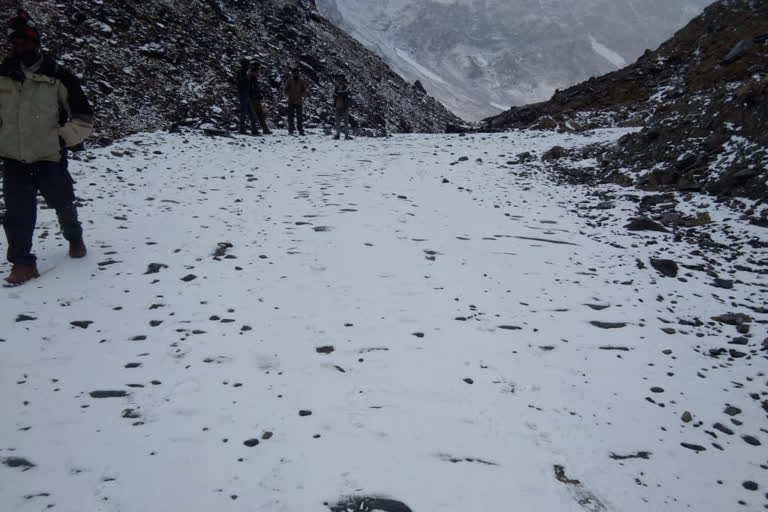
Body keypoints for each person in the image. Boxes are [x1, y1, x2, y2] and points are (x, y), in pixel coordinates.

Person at [0, 9, 94, 286]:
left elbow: (83, 116)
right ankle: (22, 262)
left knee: (62, 200)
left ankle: (74, 236)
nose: (20, 47)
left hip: (49, 155)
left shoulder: (57, 76)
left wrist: (62, 138)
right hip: (13, 155)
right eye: (15, 42)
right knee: (17, 211)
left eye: (25, 42)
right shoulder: (3, 76)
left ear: (36, 42)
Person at [236, 58, 257, 135]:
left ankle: (253, 130)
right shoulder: (242, 72)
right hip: (243, 94)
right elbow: (242, 83)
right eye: (247, 64)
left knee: (250, 113)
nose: (248, 66)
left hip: (246, 94)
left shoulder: (244, 72)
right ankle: (243, 129)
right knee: (244, 112)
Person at [248, 63, 271, 135]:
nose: (257, 73)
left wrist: (259, 95)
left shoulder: (255, 79)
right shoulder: (249, 79)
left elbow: (256, 89)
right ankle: (254, 129)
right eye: (256, 72)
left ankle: (265, 129)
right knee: (254, 115)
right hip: (252, 100)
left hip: (257, 99)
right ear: (252, 72)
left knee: (261, 115)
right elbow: (249, 90)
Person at [284, 67, 307, 135]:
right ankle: (291, 130)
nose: (295, 74)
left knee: (299, 116)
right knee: (291, 116)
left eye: (296, 73)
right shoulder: (289, 81)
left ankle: (300, 130)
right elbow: (285, 90)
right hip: (291, 101)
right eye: (294, 73)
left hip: (299, 101)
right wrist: (289, 95)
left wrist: (301, 95)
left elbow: (304, 90)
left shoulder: (301, 81)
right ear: (292, 73)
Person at [333, 73, 352, 140]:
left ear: (343, 79)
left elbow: (345, 93)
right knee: (337, 121)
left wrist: (338, 94)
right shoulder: (336, 87)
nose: (338, 80)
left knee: (345, 122)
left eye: (339, 79)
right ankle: (338, 135)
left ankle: (346, 136)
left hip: (344, 106)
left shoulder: (346, 86)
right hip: (338, 106)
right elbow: (334, 94)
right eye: (338, 79)